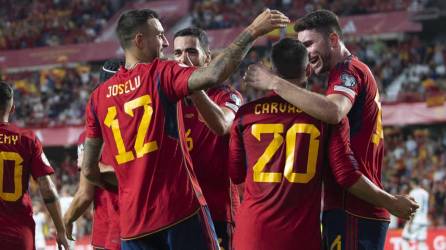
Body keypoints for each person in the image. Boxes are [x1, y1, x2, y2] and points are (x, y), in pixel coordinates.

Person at [82, 8, 289, 250]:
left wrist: (133, 186)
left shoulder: (97, 98)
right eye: (159, 35)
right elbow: (214, 74)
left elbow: (88, 170)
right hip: (179, 211)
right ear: (139, 40)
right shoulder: (161, 73)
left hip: (133, 223)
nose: (165, 42)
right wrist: (253, 31)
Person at [230, 38, 418, 250]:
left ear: (272, 71)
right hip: (301, 237)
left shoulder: (245, 115)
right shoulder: (326, 117)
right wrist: (391, 202)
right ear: (308, 70)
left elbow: (236, 175)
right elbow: (346, 175)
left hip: (252, 234)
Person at [173, 27, 243, 250]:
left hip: (218, 212)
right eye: (177, 53)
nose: (183, 59)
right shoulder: (169, 101)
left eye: (191, 51)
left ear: (207, 57)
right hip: (178, 214)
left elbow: (222, 125)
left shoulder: (227, 96)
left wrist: (191, 86)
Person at [0, 81, 70, 250]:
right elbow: (46, 187)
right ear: (12, 108)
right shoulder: (28, 139)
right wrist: (61, 230)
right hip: (18, 235)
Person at [64, 59, 121, 250]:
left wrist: (66, 220)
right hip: (147, 221)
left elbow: (85, 193)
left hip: (111, 224)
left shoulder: (90, 133)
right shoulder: (143, 122)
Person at [402, 178, 429, 250]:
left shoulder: (413, 192)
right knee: (421, 242)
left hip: (415, 221)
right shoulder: (425, 193)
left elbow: (414, 208)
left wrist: (410, 221)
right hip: (424, 220)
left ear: (412, 183)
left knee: (405, 239)